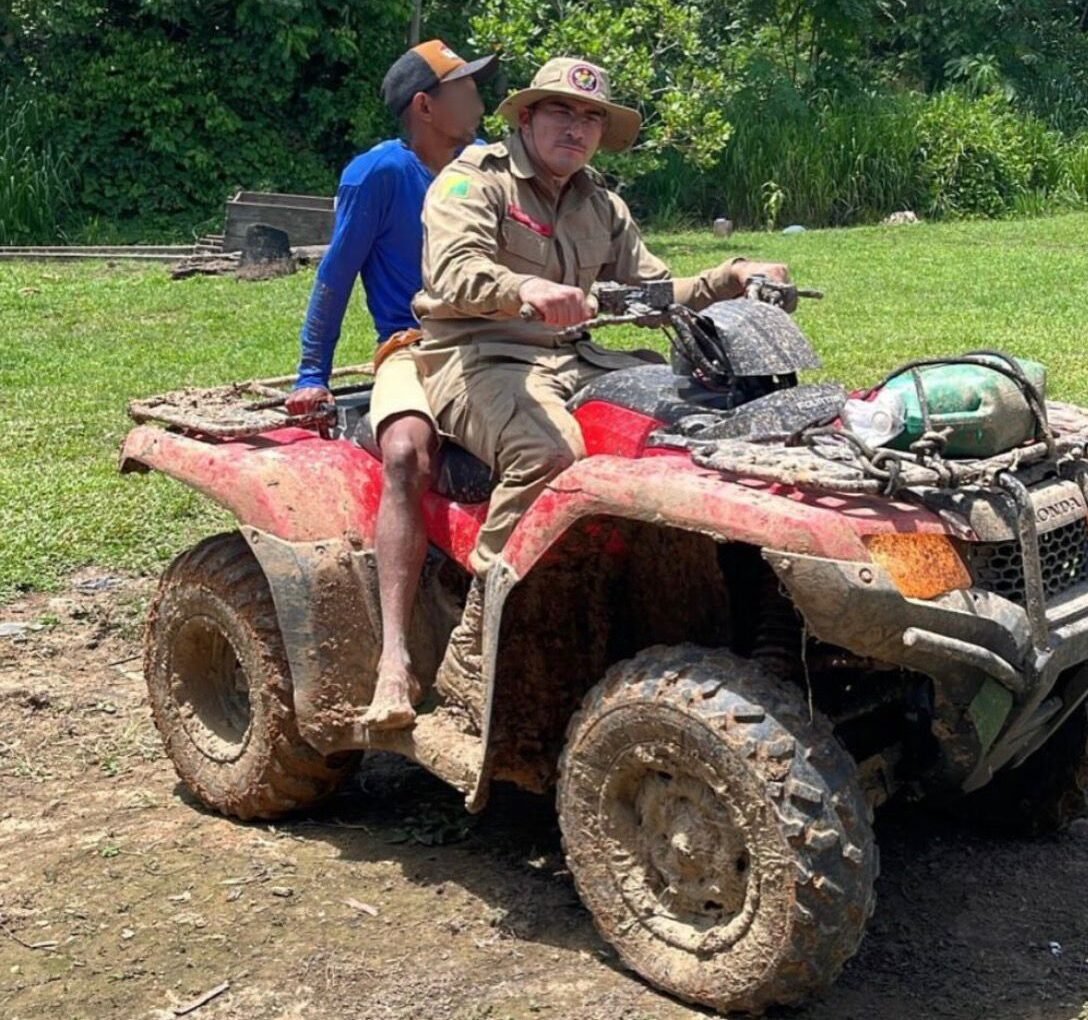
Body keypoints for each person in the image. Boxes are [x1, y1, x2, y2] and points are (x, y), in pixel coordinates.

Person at [411, 57, 790, 711]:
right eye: (561, 111)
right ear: (526, 118)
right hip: (479, 355)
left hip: (579, 354)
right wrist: (524, 288)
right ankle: (477, 646)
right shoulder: (474, 180)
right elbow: (453, 273)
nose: (576, 128)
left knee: (694, 427)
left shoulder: (599, 201)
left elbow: (641, 295)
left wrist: (728, 276)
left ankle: (702, 608)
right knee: (547, 454)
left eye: (591, 117)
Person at [285, 39, 497, 730]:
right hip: (417, 345)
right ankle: (394, 661)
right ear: (424, 105)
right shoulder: (380, 173)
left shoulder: (485, 166)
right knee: (407, 453)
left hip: (502, 341)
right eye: (463, 86)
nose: (478, 96)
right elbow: (335, 274)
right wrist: (313, 374)